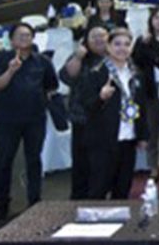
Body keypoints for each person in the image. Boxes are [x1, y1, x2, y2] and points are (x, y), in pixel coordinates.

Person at [0, 23, 58, 220]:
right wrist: (10, 71)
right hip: (7, 119)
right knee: (4, 161)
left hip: (35, 119)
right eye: (20, 36)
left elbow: (51, 85)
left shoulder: (42, 61)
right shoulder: (1, 60)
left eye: (28, 35)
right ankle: (2, 202)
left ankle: (34, 200)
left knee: (34, 160)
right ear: (11, 40)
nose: (24, 39)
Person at [83, 28, 150, 200]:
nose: (123, 48)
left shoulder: (136, 74)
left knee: (123, 188)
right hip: (103, 140)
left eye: (127, 44)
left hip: (128, 139)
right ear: (108, 47)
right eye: (117, 44)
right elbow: (86, 107)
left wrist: (143, 136)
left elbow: (141, 106)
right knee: (99, 188)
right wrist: (101, 97)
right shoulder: (96, 72)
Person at [59, 24, 109, 199]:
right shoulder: (80, 57)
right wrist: (79, 56)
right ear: (86, 41)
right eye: (94, 36)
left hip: (106, 119)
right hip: (82, 118)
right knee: (81, 162)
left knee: (102, 163)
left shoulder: (114, 57)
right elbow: (66, 77)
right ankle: (78, 198)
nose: (98, 39)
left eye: (102, 36)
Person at [132, 6, 159, 178]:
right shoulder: (144, 40)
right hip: (150, 89)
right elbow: (138, 61)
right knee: (152, 129)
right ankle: (153, 166)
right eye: (156, 18)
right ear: (151, 21)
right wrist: (143, 45)